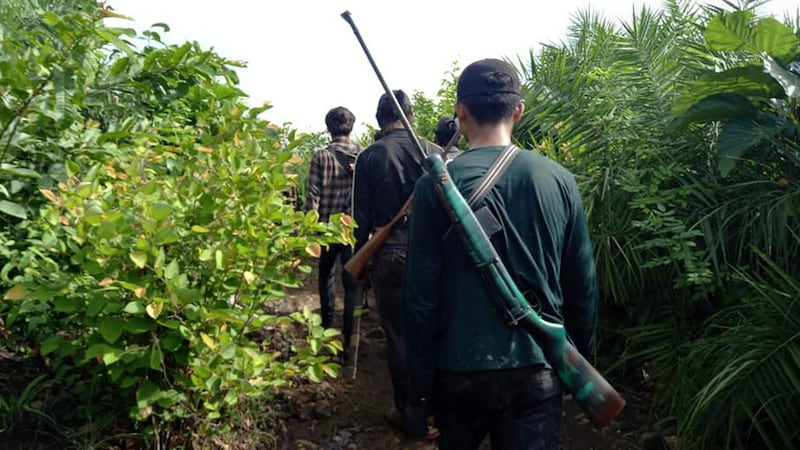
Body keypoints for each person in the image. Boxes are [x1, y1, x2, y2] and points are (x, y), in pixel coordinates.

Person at [403, 58, 598, 449]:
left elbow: (420, 300)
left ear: (460, 113)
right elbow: (582, 286)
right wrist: (580, 368)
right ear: (519, 110)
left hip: (456, 372)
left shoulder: (433, 187)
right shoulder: (559, 179)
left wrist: (419, 393)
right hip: (538, 368)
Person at [351, 89, 429, 433]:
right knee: (431, 332)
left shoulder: (370, 156)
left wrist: (361, 262)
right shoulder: (434, 153)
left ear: (379, 121)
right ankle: (434, 413)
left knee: (397, 336)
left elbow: (361, 220)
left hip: (388, 253)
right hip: (430, 255)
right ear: (410, 117)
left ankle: (408, 412)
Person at [305, 106, 361, 360]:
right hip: (350, 228)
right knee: (351, 284)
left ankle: (326, 332)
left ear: (329, 128)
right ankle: (349, 342)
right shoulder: (362, 156)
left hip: (326, 227)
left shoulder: (320, 156)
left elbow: (313, 193)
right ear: (351, 127)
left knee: (326, 275)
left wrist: (310, 227)